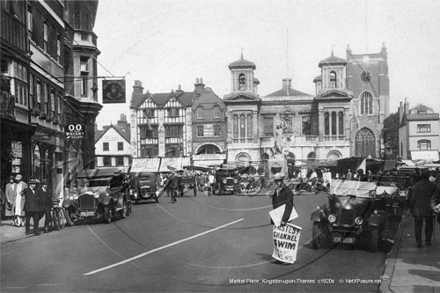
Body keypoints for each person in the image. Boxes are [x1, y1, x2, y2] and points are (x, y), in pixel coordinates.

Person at [270, 172, 295, 265]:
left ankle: (287, 259)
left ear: (283, 180)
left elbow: (289, 205)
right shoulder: (277, 190)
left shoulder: (287, 191)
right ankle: (279, 257)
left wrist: (285, 219)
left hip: (285, 218)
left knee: (286, 239)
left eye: (279, 181)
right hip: (278, 217)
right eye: (276, 181)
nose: (278, 183)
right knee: (278, 238)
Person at [410, 171, 437, 247]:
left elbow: (413, 199)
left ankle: (419, 241)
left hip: (418, 208)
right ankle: (428, 240)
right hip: (429, 208)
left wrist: (411, 208)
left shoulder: (417, 186)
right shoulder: (432, 186)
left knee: (418, 225)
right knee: (429, 224)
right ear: (429, 176)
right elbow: (435, 197)